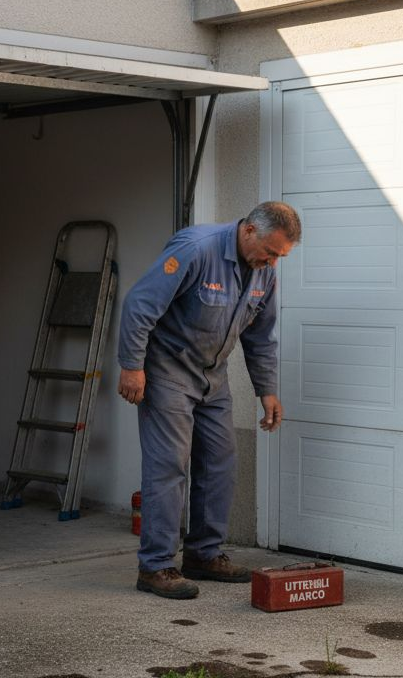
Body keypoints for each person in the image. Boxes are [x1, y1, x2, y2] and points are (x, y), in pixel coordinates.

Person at [117, 201, 302, 599]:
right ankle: (156, 566)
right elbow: (140, 305)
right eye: (270, 252)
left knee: (219, 463)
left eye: (280, 257)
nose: (272, 263)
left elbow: (261, 337)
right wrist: (132, 366)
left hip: (212, 377)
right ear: (249, 230)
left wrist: (267, 390)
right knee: (169, 465)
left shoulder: (264, 273)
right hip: (167, 370)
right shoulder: (196, 249)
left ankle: (203, 554)